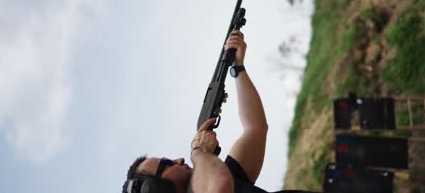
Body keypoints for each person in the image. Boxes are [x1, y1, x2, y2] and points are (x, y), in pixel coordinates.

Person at [122, 31, 315, 193]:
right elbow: (220, 186)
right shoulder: (214, 175)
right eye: (166, 163)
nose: (177, 159)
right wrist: (199, 153)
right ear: (156, 189)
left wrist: (238, 69)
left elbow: (256, 128)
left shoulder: (216, 173)